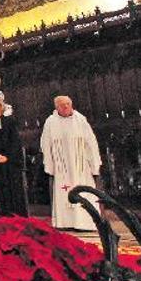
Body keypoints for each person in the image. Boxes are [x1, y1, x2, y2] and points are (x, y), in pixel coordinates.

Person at [40, 95, 101, 231]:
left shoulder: (80, 120)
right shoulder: (51, 122)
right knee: (64, 192)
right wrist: (49, 166)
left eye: (68, 104)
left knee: (84, 192)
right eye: (62, 105)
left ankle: (86, 223)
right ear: (57, 108)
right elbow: (45, 144)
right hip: (62, 169)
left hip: (81, 168)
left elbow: (91, 143)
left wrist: (94, 164)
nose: (66, 107)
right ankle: (65, 222)